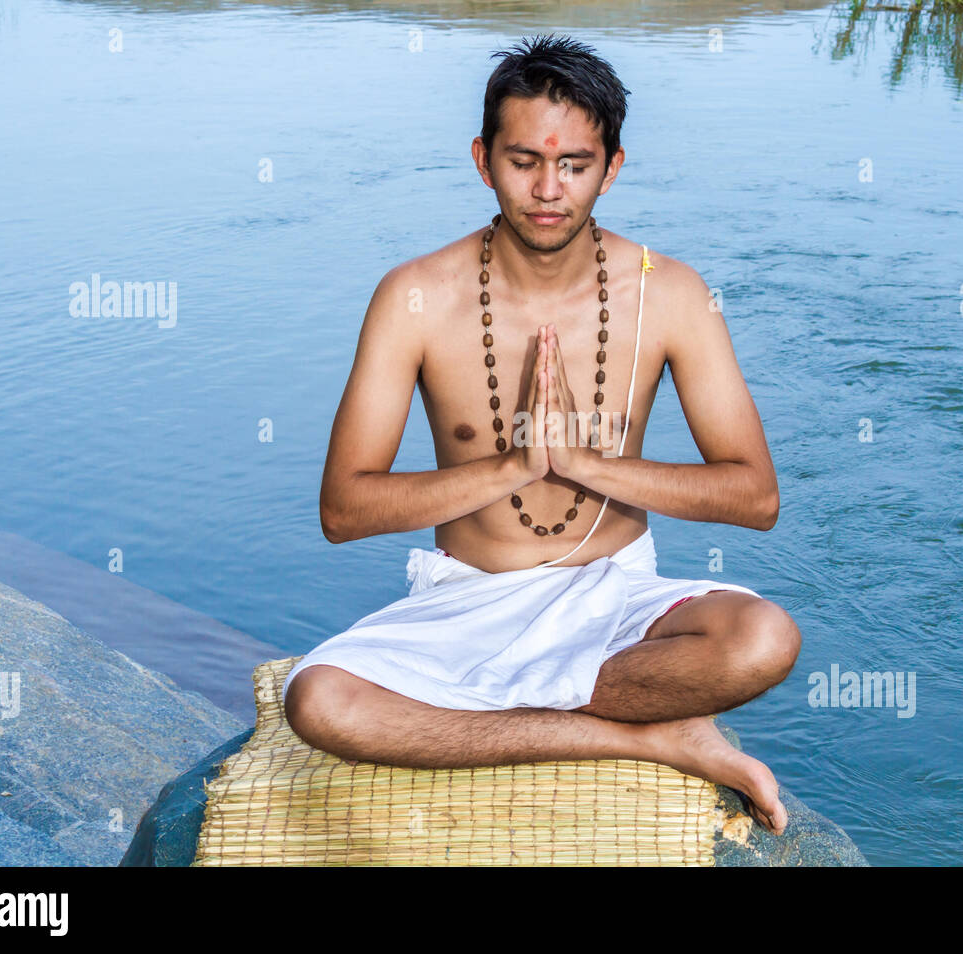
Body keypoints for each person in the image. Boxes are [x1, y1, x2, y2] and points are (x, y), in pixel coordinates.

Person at [284, 34, 800, 835]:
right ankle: (651, 737)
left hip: (618, 598)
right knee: (319, 703)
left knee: (762, 638)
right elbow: (343, 512)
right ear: (483, 160)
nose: (548, 189)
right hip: (467, 602)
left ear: (613, 167)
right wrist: (515, 465)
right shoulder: (415, 296)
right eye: (524, 161)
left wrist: (587, 464)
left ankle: (533, 716)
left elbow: (756, 496)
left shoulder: (672, 295)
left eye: (575, 164)